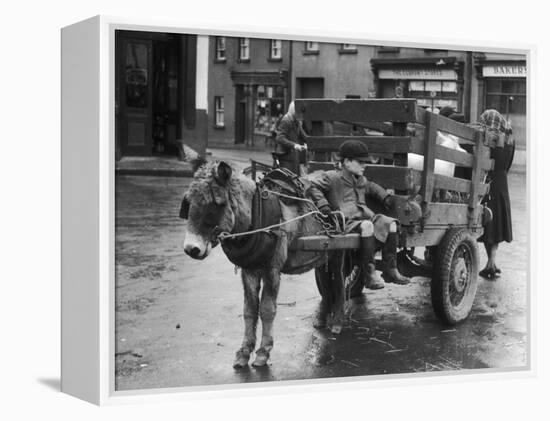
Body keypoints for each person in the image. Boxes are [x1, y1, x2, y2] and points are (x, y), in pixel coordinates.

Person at [306, 140, 411, 289]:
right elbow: (312, 186)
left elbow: (371, 187)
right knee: (368, 225)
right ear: (347, 162)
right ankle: (370, 275)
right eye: (360, 162)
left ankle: (391, 269)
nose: (364, 165)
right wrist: (323, 204)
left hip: (364, 218)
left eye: (364, 162)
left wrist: (385, 197)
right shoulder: (332, 177)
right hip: (346, 221)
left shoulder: (361, 180)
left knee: (391, 223)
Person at [477, 109, 515, 279]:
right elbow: (509, 164)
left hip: (488, 181)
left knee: (488, 224)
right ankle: (491, 262)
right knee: (497, 223)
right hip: (502, 183)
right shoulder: (509, 139)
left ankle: (490, 263)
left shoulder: (487, 137)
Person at [274, 101, 308, 174]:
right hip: (285, 157)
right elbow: (279, 138)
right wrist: (294, 145)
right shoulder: (286, 120)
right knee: (288, 181)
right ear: (294, 111)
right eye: (299, 112)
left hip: (293, 156)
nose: (301, 115)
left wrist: (312, 143)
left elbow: (304, 136)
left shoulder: (297, 122)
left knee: (295, 180)